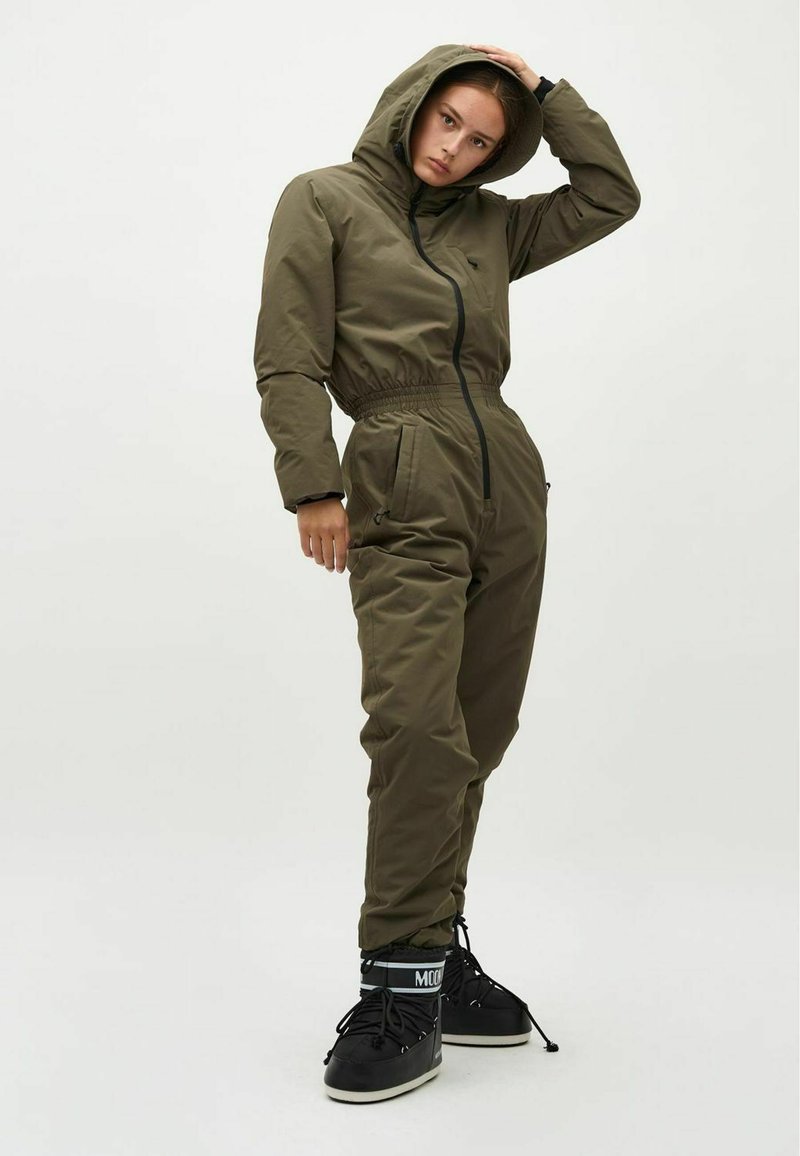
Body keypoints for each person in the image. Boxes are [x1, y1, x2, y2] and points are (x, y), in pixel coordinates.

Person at [253, 41, 640, 1103]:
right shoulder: (324, 199)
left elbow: (610, 196)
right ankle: (394, 985)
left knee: (479, 728)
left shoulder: (492, 225)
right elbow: (287, 354)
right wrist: (311, 483)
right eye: (448, 120)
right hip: (398, 465)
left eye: (482, 140)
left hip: (506, 475)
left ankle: (435, 949)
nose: (455, 148)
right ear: (412, 106)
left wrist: (548, 95)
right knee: (416, 726)